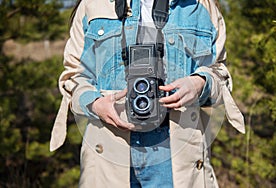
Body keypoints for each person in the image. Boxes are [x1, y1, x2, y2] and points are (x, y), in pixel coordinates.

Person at [50, 0, 245, 187]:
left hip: (177, 154)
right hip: (109, 152)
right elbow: (74, 77)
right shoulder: (93, 4)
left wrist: (199, 84)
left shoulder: (200, 5)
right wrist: (95, 104)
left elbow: (220, 75)